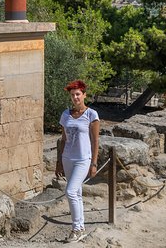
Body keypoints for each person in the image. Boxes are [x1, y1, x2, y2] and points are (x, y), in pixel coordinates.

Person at [55, 79, 100, 243]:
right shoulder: (65, 114)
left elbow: (95, 141)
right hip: (68, 158)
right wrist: (58, 162)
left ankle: (75, 228)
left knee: (71, 191)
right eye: (73, 95)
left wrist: (94, 163)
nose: (75, 98)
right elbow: (63, 139)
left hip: (83, 159)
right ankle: (81, 227)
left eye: (78, 94)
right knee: (77, 193)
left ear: (84, 95)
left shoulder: (91, 114)